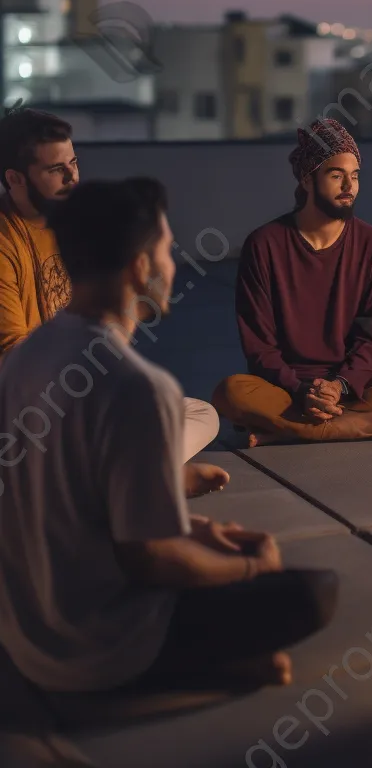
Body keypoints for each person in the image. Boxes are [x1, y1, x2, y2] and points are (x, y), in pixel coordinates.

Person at [0, 179, 338, 694]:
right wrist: (250, 568)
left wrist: (197, 529)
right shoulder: (138, 386)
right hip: (92, 651)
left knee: (213, 554)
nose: (172, 265)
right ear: (140, 266)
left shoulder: (26, 356)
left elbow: (74, 507)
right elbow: (148, 558)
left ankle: (222, 657)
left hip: (26, 640)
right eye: (166, 250)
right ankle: (191, 667)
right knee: (313, 592)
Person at [0, 107, 225, 497]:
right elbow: (13, 358)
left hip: (77, 403)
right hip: (28, 409)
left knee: (197, 412)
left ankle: (122, 475)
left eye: (74, 163)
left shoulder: (74, 223)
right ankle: (134, 476)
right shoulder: (6, 241)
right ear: (15, 179)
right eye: (56, 170)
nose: (73, 177)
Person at [212, 118, 372, 444]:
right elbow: (259, 346)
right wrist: (301, 390)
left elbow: (371, 340)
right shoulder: (265, 244)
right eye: (336, 176)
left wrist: (337, 387)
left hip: (347, 385)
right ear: (307, 180)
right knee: (230, 392)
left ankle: (283, 431)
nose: (349, 186)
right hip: (284, 385)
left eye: (355, 176)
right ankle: (362, 426)